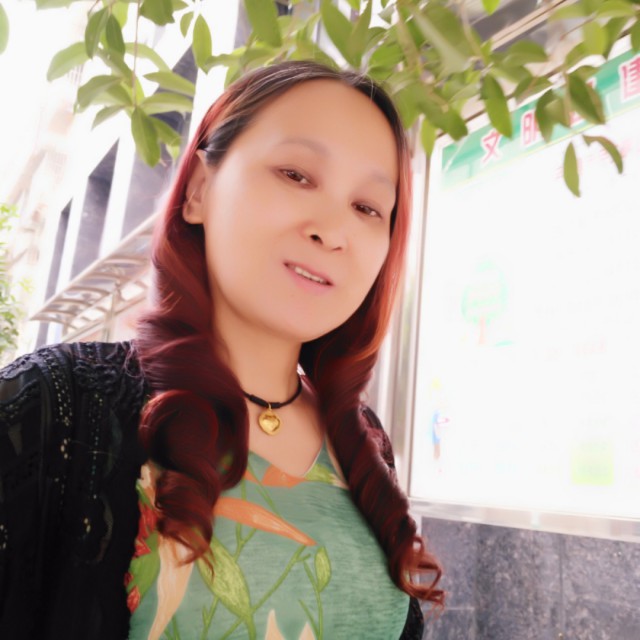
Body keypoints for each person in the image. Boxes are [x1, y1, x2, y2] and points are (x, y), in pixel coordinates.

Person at [0, 60, 443, 639]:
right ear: (199, 190)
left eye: (368, 208)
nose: (332, 230)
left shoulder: (364, 443)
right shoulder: (53, 406)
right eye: (296, 174)